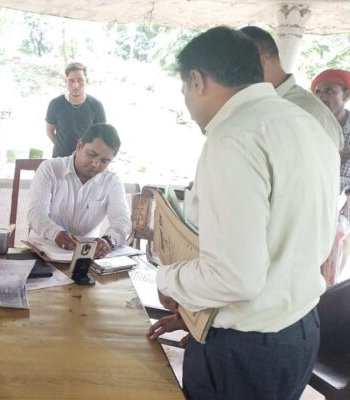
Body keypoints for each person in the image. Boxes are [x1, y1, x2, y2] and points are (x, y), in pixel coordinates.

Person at [151, 27, 338, 400]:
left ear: (197, 80)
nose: (187, 105)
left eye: (184, 90)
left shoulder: (233, 137)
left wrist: (166, 278)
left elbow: (235, 277)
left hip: (245, 350)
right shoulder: (306, 122)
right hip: (298, 331)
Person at [28, 123, 131, 259]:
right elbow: (36, 213)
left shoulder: (112, 182)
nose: (95, 164)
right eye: (91, 154)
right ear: (79, 146)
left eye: (104, 161)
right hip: (43, 252)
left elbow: (122, 220)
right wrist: (55, 233)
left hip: (87, 256)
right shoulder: (50, 169)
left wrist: (108, 241)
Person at [240, 26, 343, 150]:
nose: (234, 76)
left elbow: (325, 160)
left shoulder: (311, 111)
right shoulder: (260, 103)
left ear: (259, 61)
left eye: (237, 66)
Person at [45, 62, 106, 157]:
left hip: (86, 159)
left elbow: (100, 134)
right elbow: (49, 131)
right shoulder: (55, 104)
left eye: (80, 80)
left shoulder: (96, 105)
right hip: (60, 158)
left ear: (87, 81)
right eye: (71, 81)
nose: (76, 85)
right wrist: (61, 146)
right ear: (66, 81)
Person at [311, 69, 350, 192]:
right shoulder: (309, 125)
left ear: (346, 95)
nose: (321, 97)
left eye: (329, 91)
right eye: (318, 92)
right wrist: (330, 156)